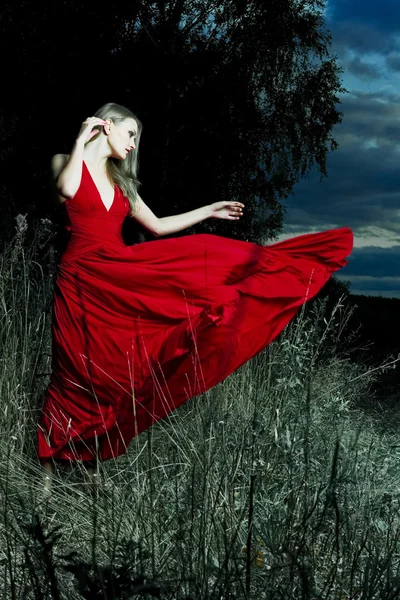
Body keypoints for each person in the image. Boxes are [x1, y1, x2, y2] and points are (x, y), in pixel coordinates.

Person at [38, 102, 353, 489]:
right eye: (130, 133)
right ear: (106, 126)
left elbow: (155, 226)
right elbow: (66, 189)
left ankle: (86, 459)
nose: (134, 144)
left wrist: (209, 210)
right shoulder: (63, 161)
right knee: (72, 370)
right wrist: (80, 139)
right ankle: (45, 478)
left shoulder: (122, 184)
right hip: (81, 280)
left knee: (115, 370)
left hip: (119, 279)